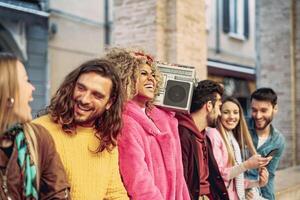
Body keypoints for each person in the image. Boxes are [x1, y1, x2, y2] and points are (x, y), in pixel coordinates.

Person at [33, 59, 128, 199]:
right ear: (71, 86)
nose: (84, 99)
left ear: (110, 103)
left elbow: (114, 193)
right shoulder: (38, 130)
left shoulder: (106, 139)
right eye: (81, 88)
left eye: (97, 95)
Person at [105, 48, 190, 200]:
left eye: (153, 75)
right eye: (143, 73)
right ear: (126, 77)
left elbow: (179, 176)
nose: (151, 79)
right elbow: (139, 182)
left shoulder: (162, 119)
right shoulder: (126, 123)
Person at [0, 53, 70, 199]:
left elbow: (57, 194)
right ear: (7, 92)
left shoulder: (38, 138)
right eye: (26, 81)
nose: (32, 89)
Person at [207, 97, 270, 200]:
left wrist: (258, 183)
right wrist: (247, 165)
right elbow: (220, 175)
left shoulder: (231, 136)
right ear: (219, 113)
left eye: (235, 112)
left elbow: (236, 182)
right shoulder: (213, 134)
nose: (232, 116)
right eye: (226, 112)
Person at [176, 80, 229, 200]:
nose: (220, 114)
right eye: (219, 107)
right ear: (209, 105)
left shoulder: (203, 136)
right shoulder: (182, 134)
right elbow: (181, 182)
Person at [246, 88, 285, 200]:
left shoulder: (278, 141)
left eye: (263, 110)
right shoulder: (240, 126)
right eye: (254, 110)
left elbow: (269, 176)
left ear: (275, 109)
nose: (258, 116)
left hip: (256, 192)